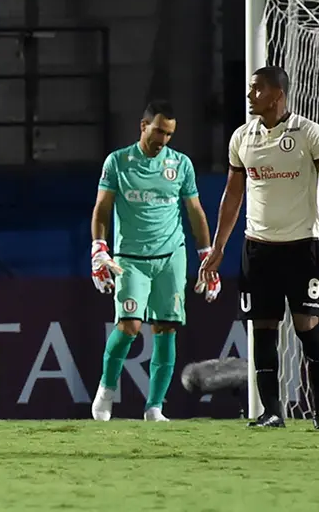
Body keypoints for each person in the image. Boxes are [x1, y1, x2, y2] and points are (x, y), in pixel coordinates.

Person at [200, 66, 319, 429]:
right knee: (262, 329)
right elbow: (233, 195)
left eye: (256, 90)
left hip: (302, 248)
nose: (250, 96)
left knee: (306, 326)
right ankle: (272, 411)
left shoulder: (309, 133)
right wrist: (218, 247)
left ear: (277, 94)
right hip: (258, 249)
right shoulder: (242, 138)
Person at [90, 100, 219, 422]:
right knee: (130, 326)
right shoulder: (118, 162)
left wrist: (208, 257)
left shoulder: (180, 164)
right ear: (143, 126)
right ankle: (106, 391)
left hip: (171, 256)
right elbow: (102, 208)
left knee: (166, 329)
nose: (163, 139)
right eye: (159, 130)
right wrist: (98, 249)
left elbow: (195, 211)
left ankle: (154, 407)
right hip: (130, 259)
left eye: (169, 134)